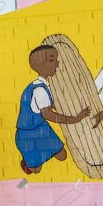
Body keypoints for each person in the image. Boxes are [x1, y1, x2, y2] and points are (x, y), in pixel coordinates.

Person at [15, 45, 90, 175]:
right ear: (38, 65)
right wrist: (75, 119)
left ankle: (37, 154)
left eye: (56, 60)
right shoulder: (39, 90)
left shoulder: (45, 86)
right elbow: (48, 114)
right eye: (51, 60)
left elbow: (54, 105)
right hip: (27, 134)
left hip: (41, 128)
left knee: (62, 156)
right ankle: (28, 160)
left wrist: (75, 110)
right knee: (36, 170)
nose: (56, 63)